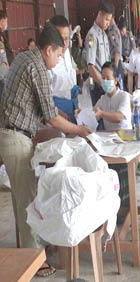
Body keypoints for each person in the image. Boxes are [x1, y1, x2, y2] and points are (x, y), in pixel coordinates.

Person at [0, 22, 91, 277]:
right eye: (59, 54)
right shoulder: (37, 66)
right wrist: (77, 130)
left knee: (27, 194)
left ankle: (34, 247)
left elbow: (46, 106)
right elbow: (50, 118)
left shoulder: (26, 59)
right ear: (48, 50)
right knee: (26, 200)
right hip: (14, 136)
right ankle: (33, 260)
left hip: (15, 134)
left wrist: (64, 115)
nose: (59, 59)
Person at [48, 15, 80, 123]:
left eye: (67, 39)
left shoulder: (66, 52)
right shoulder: (47, 60)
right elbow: (45, 100)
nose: (65, 43)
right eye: (61, 39)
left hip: (71, 107)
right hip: (56, 112)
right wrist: (59, 113)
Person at [85, 1, 113, 106]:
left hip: (106, 83)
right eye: (106, 19)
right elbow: (90, 66)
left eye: (109, 20)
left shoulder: (104, 35)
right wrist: (103, 83)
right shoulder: (92, 36)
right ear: (99, 14)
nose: (108, 23)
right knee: (99, 116)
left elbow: (108, 60)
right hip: (97, 84)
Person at [93, 62, 131, 130]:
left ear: (115, 80)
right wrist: (82, 113)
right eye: (103, 78)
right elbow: (93, 115)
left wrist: (101, 113)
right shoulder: (103, 99)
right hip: (109, 136)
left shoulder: (123, 96)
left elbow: (119, 117)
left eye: (108, 78)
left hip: (126, 136)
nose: (105, 81)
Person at [107, 16, 124, 89]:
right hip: (114, 62)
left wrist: (115, 69)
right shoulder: (111, 30)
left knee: (118, 88)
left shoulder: (112, 31)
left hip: (115, 62)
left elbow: (116, 51)